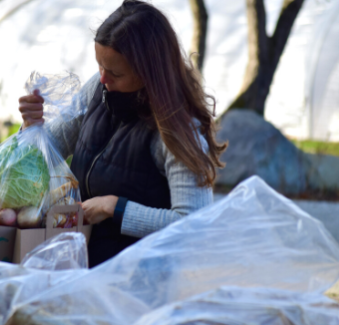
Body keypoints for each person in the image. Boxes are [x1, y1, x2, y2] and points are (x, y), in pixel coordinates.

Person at [18, 0, 227, 267]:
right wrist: (31, 126)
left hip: (137, 286)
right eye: (99, 66)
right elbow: (50, 151)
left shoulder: (180, 128)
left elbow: (194, 226)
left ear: (150, 72)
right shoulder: (98, 89)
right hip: (79, 267)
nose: (103, 78)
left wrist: (114, 207)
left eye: (115, 72)